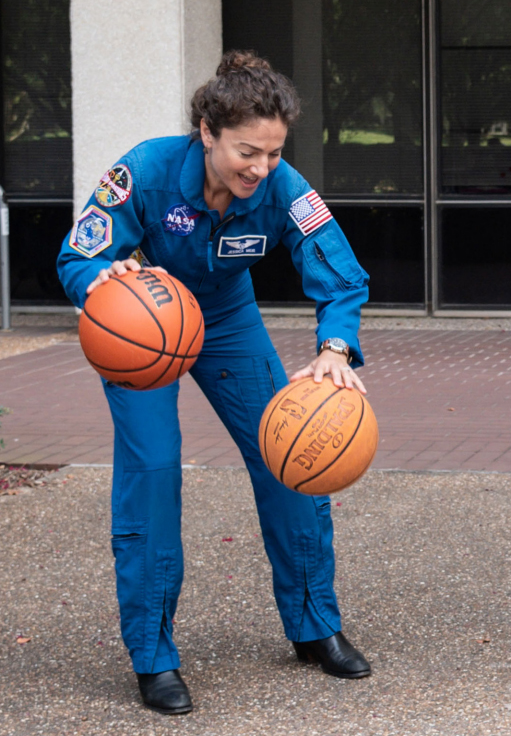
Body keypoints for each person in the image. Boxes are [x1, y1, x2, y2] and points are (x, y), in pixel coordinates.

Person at [57, 51, 372, 715]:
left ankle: (316, 625)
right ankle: (153, 656)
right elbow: (79, 254)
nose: (261, 169)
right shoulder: (142, 170)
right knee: (154, 474)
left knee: (292, 458)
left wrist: (335, 347)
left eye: (274, 153)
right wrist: (100, 281)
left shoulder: (284, 187)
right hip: (144, 323)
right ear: (207, 132)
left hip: (227, 316)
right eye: (247, 152)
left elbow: (340, 274)